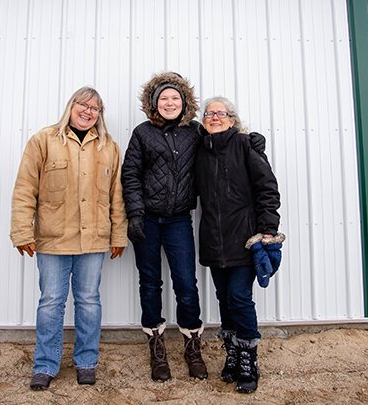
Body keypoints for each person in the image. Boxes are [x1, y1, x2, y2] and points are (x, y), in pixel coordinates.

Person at [121, 73, 266, 382]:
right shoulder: (142, 133)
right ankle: (157, 347)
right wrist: (134, 213)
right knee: (150, 283)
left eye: (175, 98)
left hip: (178, 220)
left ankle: (192, 346)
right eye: (163, 99)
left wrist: (250, 140)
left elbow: (222, 142)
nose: (169, 102)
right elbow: (130, 173)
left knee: (186, 284)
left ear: (184, 102)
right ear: (154, 104)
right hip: (146, 219)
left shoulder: (195, 132)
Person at [10, 86, 127, 391]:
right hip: (53, 239)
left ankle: (87, 362)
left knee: (89, 301)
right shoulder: (44, 140)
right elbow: (25, 188)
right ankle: (45, 365)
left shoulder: (109, 147)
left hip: (94, 240)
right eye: (83, 105)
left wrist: (119, 235)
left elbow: (117, 195)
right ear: (71, 106)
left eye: (95, 108)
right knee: (51, 302)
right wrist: (22, 230)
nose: (88, 112)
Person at [195, 96, 282, 394]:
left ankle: (248, 357)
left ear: (232, 119)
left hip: (245, 239)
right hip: (213, 239)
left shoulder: (246, 146)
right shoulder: (200, 149)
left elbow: (267, 188)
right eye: (209, 114)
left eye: (220, 113)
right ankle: (232, 351)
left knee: (239, 297)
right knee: (224, 298)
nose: (214, 117)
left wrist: (268, 229)